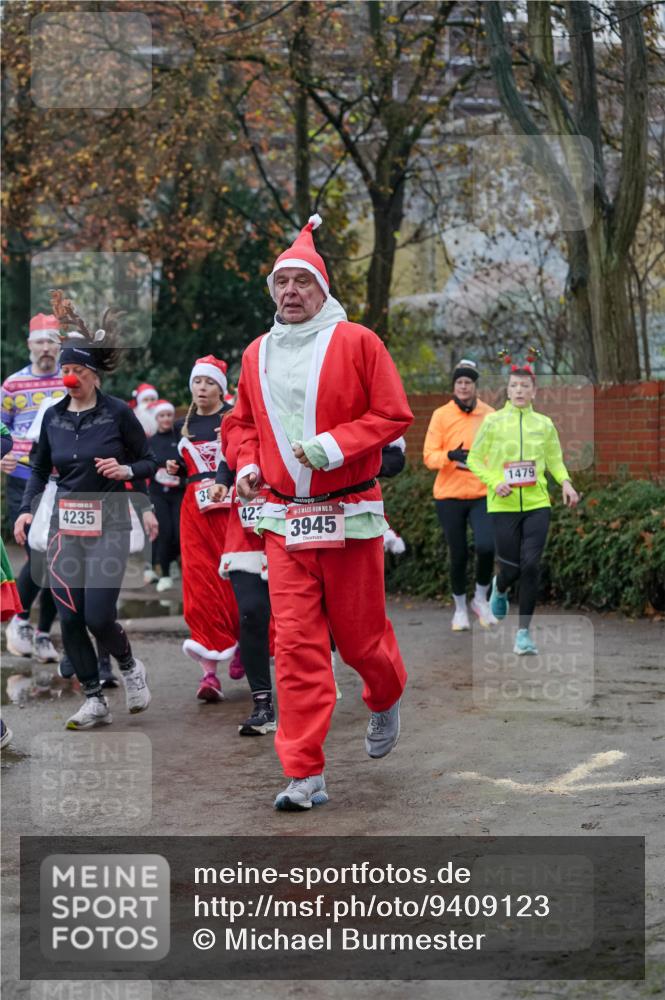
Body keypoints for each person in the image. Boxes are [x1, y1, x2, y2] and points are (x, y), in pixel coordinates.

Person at [231, 214, 412, 810]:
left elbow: (392, 414)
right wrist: (246, 464)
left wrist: (334, 446)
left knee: (361, 643)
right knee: (296, 649)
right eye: (282, 282)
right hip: (285, 522)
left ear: (322, 288)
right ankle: (304, 772)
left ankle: (385, 695)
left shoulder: (359, 342)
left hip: (349, 514)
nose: (291, 292)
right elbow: (242, 425)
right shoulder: (255, 353)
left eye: (302, 281)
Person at [13, 296, 159, 729]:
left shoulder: (118, 414)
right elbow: (40, 469)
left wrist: (127, 470)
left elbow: (149, 461)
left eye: (78, 369)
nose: (70, 377)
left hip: (110, 523)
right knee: (71, 616)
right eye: (66, 369)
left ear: (94, 374)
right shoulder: (53, 418)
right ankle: (94, 699)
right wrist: (25, 511)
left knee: (98, 615)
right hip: (65, 526)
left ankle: (129, 666)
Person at [466, 360, 579, 654]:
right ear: (507, 390)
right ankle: (500, 586)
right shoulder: (493, 422)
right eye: (514, 385)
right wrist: (494, 481)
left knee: (530, 566)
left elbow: (555, 460)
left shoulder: (544, 424)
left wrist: (566, 483)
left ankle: (524, 635)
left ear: (534, 391)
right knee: (511, 568)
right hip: (502, 505)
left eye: (524, 386)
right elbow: (474, 459)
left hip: (537, 504)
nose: (519, 390)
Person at [164, 356, 240, 701]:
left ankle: (243, 646)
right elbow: (183, 467)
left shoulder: (233, 418)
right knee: (200, 586)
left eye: (209, 382)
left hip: (232, 509)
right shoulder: (184, 424)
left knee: (238, 581)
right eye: (197, 382)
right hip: (195, 512)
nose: (202, 388)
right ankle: (209, 675)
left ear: (221, 388)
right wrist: (175, 468)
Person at [1, 313, 65, 662]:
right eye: (39, 342)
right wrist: (2, 457)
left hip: (62, 481)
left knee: (58, 558)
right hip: (24, 479)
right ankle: (20, 619)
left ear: (59, 345)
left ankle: (42, 634)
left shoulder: (71, 381)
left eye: (51, 341)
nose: (45, 348)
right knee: (40, 554)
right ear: (29, 345)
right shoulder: (13, 385)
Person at [423, 359, 497, 631]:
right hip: (449, 495)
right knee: (458, 553)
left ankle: (481, 599)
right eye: (459, 382)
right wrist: (450, 456)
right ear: (454, 386)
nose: (464, 387)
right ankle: (460, 609)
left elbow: (500, 452)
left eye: (468, 382)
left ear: (475, 386)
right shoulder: (441, 415)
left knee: (487, 546)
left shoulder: (490, 415)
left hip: (481, 492)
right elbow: (429, 456)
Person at [146, 399, 183, 592]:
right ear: (157, 418)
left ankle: (176, 562)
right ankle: (165, 574)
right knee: (164, 532)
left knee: (179, 533)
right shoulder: (150, 442)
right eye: (162, 415)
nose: (166, 419)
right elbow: (146, 465)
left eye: (169, 415)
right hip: (158, 493)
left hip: (179, 492)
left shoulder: (179, 438)